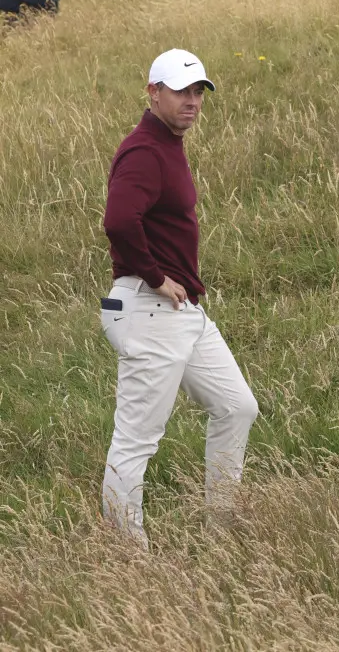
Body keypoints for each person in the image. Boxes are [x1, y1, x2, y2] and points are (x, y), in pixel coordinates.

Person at [100, 49, 260, 550]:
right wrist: (154, 276)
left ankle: (222, 526)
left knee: (238, 406)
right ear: (153, 93)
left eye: (198, 93)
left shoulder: (168, 143)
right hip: (151, 309)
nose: (192, 102)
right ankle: (129, 556)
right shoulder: (144, 150)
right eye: (181, 92)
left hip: (181, 312)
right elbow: (119, 220)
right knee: (136, 441)